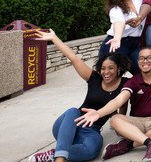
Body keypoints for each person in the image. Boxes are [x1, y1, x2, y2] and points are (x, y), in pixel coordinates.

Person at [28, 29, 130, 162]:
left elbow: (121, 109)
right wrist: (54, 38)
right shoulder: (94, 78)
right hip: (69, 124)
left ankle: (52, 154)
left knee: (92, 149)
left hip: (91, 130)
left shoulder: (125, 84)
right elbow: (74, 58)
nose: (106, 72)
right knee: (73, 111)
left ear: (118, 69)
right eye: (103, 68)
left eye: (111, 68)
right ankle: (59, 159)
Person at [75, 45, 151, 161]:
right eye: (141, 58)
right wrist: (98, 113)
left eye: (149, 57)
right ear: (138, 61)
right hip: (137, 123)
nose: (145, 61)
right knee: (115, 119)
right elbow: (118, 100)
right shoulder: (133, 81)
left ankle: (128, 145)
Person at [99, 0, 144, 75]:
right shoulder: (115, 9)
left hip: (135, 43)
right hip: (116, 45)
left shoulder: (138, 0)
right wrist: (117, 38)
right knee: (110, 77)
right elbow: (119, 22)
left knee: (142, 73)